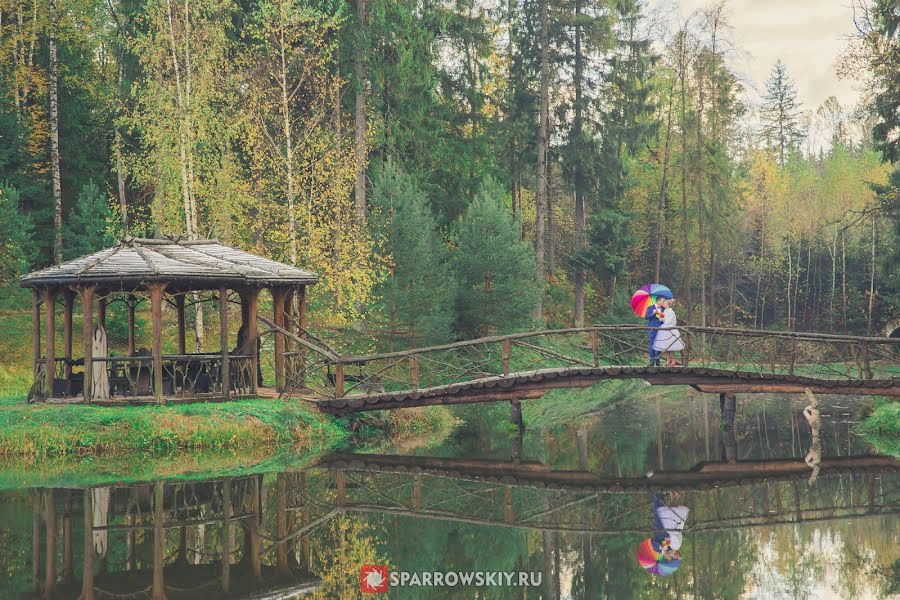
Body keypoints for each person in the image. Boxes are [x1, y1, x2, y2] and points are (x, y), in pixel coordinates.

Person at [652, 298, 685, 366]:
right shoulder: (665, 310)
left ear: (668, 304)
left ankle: (673, 360)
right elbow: (662, 319)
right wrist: (657, 313)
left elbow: (668, 321)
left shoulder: (670, 311)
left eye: (665, 302)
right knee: (666, 348)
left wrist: (660, 314)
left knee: (671, 346)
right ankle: (668, 361)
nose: (663, 303)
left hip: (669, 329)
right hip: (665, 329)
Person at [644, 297, 666, 366]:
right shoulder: (650, 308)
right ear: (658, 301)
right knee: (652, 345)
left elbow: (665, 317)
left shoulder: (664, 309)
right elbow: (646, 317)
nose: (663, 302)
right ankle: (651, 362)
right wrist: (653, 313)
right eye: (663, 301)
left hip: (661, 329)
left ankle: (658, 362)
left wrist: (658, 314)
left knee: (659, 345)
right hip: (652, 329)